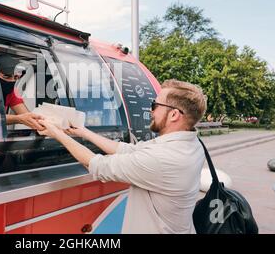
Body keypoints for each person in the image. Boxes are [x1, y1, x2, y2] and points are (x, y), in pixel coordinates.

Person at [38, 79, 207, 234]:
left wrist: (56, 133)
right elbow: (128, 150)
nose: (150, 109)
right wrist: (84, 132)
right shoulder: (190, 145)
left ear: (174, 115)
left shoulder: (164, 158)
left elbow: (97, 165)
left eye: (155, 104)